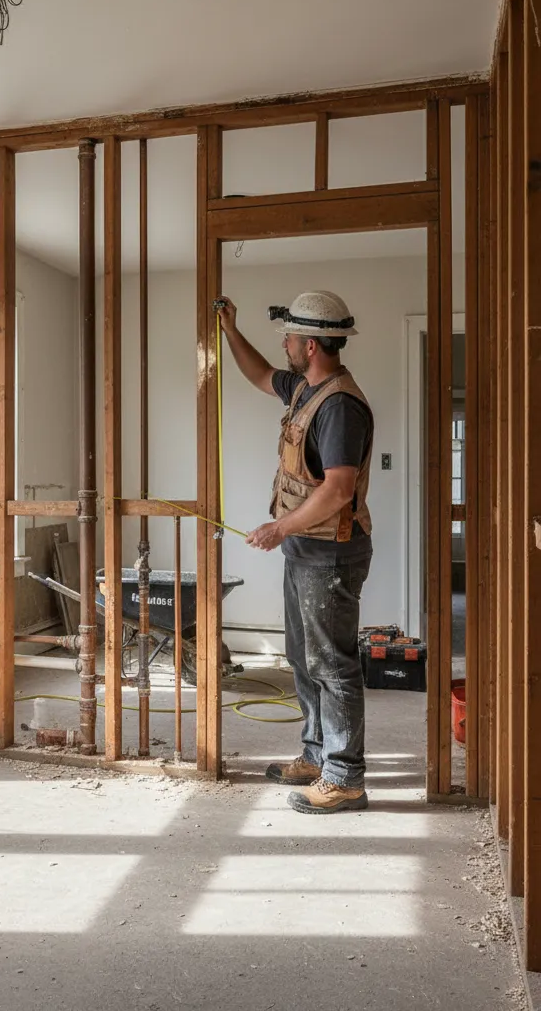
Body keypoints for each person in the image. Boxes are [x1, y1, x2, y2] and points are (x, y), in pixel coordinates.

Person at [217, 291, 374, 815]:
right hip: (308, 549)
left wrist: (279, 528)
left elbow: (338, 490)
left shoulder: (339, 406)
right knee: (305, 659)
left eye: (288, 335)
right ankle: (317, 753)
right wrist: (229, 330)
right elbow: (261, 374)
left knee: (332, 664)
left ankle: (345, 778)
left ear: (308, 345)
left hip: (330, 553)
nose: (282, 343)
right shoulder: (308, 388)